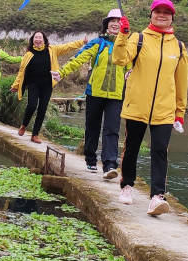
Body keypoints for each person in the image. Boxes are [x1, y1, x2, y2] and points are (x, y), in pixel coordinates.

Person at [112, 0, 188, 216]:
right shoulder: (138, 38)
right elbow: (119, 59)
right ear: (151, 14)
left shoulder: (180, 48)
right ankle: (126, 185)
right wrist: (122, 35)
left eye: (167, 12)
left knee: (160, 150)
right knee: (132, 147)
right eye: (158, 11)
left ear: (172, 17)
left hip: (165, 109)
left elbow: (182, 83)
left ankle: (157, 197)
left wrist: (179, 113)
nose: (162, 15)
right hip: (137, 105)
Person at [53, 9, 130, 179]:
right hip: (95, 92)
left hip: (116, 96)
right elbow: (79, 58)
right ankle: (90, 159)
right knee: (92, 126)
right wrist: (62, 72)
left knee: (112, 129)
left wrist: (130, 73)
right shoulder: (97, 43)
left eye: (119, 21)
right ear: (107, 25)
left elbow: (131, 67)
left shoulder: (127, 47)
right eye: (112, 20)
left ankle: (110, 165)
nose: (115, 23)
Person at [11, 31, 85, 144]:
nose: (38, 40)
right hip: (33, 84)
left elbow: (67, 47)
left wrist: (81, 42)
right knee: (31, 106)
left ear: (44, 40)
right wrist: (16, 85)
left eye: (40, 38)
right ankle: (24, 125)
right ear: (33, 40)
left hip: (47, 85)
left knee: (42, 108)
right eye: (36, 38)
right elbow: (21, 72)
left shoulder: (52, 50)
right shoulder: (28, 54)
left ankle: (35, 134)